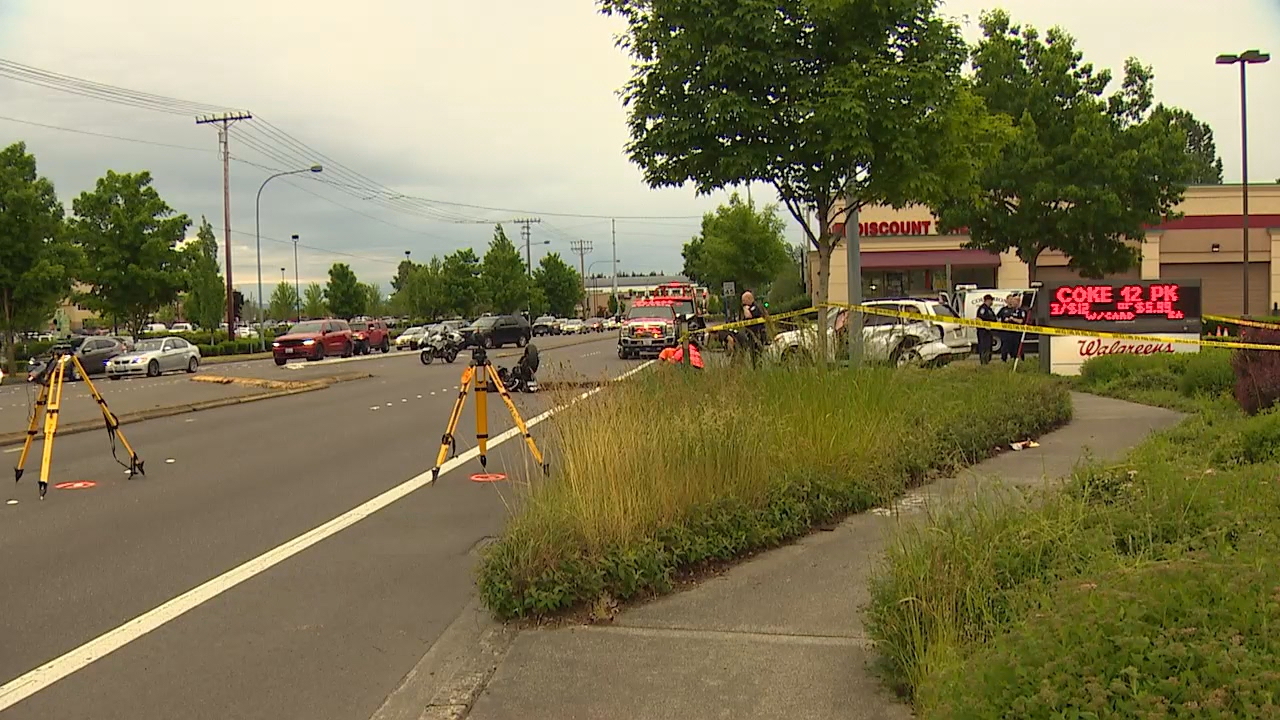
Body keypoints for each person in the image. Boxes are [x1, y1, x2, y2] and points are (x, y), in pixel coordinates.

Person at [739, 290, 768, 367]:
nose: (743, 303)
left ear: (749, 299)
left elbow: (749, 316)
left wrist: (745, 308)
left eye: (744, 300)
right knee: (753, 356)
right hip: (751, 335)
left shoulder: (754, 307)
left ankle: (758, 369)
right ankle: (756, 368)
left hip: (757, 334)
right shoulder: (750, 307)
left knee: (757, 354)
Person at [975, 294, 997, 365]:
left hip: (989, 332)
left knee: (989, 347)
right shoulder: (983, 309)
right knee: (984, 347)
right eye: (991, 300)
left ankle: (987, 361)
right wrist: (985, 326)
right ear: (988, 300)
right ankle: (984, 362)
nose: (992, 302)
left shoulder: (989, 309)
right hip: (983, 332)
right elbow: (978, 319)